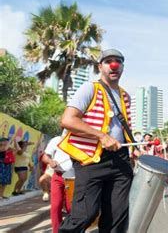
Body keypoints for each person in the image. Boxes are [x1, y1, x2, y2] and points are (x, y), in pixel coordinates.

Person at [58, 49, 134, 232]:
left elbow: (123, 127)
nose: (114, 65)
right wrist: (101, 136)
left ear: (122, 67)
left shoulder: (125, 96)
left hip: (120, 159)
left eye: (118, 61)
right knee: (85, 213)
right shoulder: (90, 88)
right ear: (100, 66)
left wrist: (134, 147)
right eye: (108, 61)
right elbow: (67, 120)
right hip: (92, 159)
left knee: (117, 215)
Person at [43, 135, 74, 233]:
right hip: (58, 176)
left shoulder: (80, 140)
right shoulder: (56, 140)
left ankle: (73, 229)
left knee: (71, 207)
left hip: (74, 177)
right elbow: (45, 156)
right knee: (56, 206)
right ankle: (56, 231)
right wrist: (50, 161)